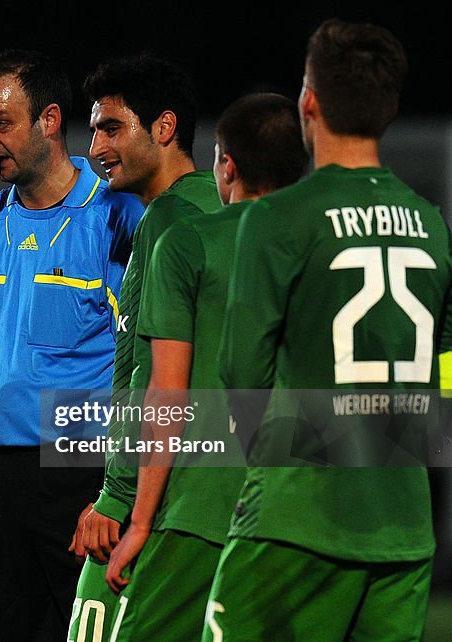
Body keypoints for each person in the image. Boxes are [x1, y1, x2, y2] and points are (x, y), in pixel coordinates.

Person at [206, 19, 448, 641]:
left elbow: (242, 374)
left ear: (308, 102)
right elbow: (446, 377)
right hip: (403, 526)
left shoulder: (277, 218)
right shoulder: (432, 224)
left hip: (297, 522)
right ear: (388, 108)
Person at [0, 49, 145, 640]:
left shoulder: (116, 214)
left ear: (48, 119)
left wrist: (121, 490)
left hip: (83, 474)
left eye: (1, 123)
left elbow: (141, 364)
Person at [86, 93, 308, 641]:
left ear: (226, 165)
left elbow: (166, 392)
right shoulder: (322, 251)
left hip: (197, 507)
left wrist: (135, 518)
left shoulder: (187, 239)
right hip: (300, 515)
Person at [69, 53, 221, 641]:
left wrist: (117, 497)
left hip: (166, 504)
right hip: (235, 500)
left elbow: (149, 381)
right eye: (93, 131)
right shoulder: (233, 210)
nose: (96, 147)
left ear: (163, 128)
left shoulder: (166, 225)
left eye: (111, 128)